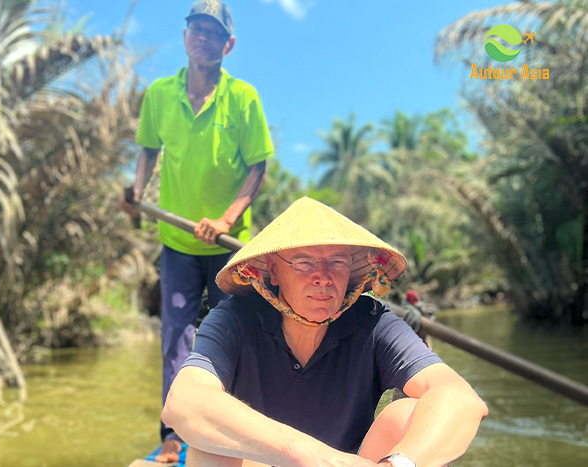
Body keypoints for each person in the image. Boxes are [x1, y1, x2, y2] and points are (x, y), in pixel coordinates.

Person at [162, 198, 488, 466]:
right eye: (303, 263)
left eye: (336, 263)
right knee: (210, 444)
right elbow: (184, 402)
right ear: (273, 270)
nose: (322, 277)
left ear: (350, 272)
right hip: (271, 462)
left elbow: (460, 398)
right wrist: (311, 456)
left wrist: (398, 463)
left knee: (409, 413)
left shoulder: (373, 321)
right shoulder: (234, 317)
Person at [119, 1, 273, 462]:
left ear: (228, 43)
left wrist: (226, 219)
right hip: (177, 242)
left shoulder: (243, 97)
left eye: (212, 31)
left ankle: (238, 429)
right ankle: (174, 434)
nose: (202, 37)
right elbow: (147, 150)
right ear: (186, 37)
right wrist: (136, 193)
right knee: (177, 337)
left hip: (229, 245)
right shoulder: (160, 95)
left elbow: (258, 165)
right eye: (195, 29)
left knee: (237, 332)